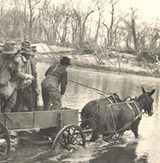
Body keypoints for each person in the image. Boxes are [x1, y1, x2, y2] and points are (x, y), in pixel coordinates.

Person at [0, 42, 34, 112]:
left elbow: (15, 71)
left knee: (11, 102)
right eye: (8, 54)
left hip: (8, 83)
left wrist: (26, 77)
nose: (10, 55)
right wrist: (27, 76)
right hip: (6, 83)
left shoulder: (13, 59)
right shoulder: (3, 58)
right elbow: (16, 73)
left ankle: (5, 119)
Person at [13, 46, 39, 112]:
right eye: (29, 55)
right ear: (26, 55)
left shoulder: (27, 60)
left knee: (20, 101)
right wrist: (27, 76)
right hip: (17, 84)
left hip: (24, 84)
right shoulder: (19, 60)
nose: (30, 56)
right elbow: (16, 73)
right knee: (16, 102)